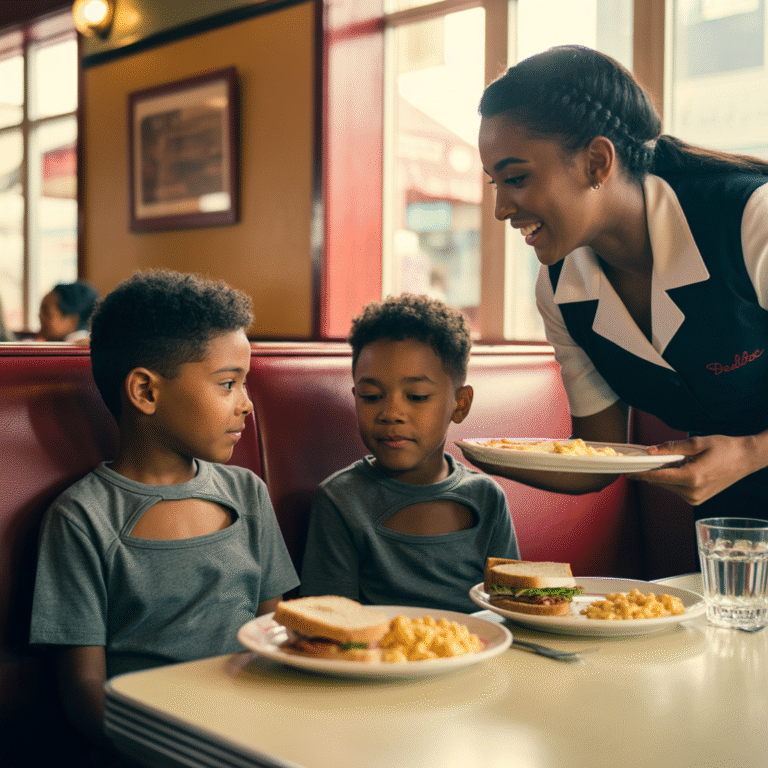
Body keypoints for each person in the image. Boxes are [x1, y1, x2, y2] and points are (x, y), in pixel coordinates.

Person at [474, 44, 768, 521]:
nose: (501, 209)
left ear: (597, 161)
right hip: (729, 521)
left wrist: (751, 452)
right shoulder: (560, 292)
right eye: (495, 182)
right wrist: (469, 459)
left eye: (518, 178)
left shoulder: (749, 220)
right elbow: (597, 455)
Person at [29, 269, 299, 757]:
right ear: (146, 392)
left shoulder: (247, 493)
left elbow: (273, 633)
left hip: (256, 734)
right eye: (228, 384)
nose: (247, 405)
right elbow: (84, 690)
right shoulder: (82, 518)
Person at [299, 293, 519, 613]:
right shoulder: (340, 500)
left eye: (416, 396)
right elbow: (329, 622)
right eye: (371, 396)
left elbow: (513, 606)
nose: (391, 413)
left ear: (460, 404)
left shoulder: (487, 498)